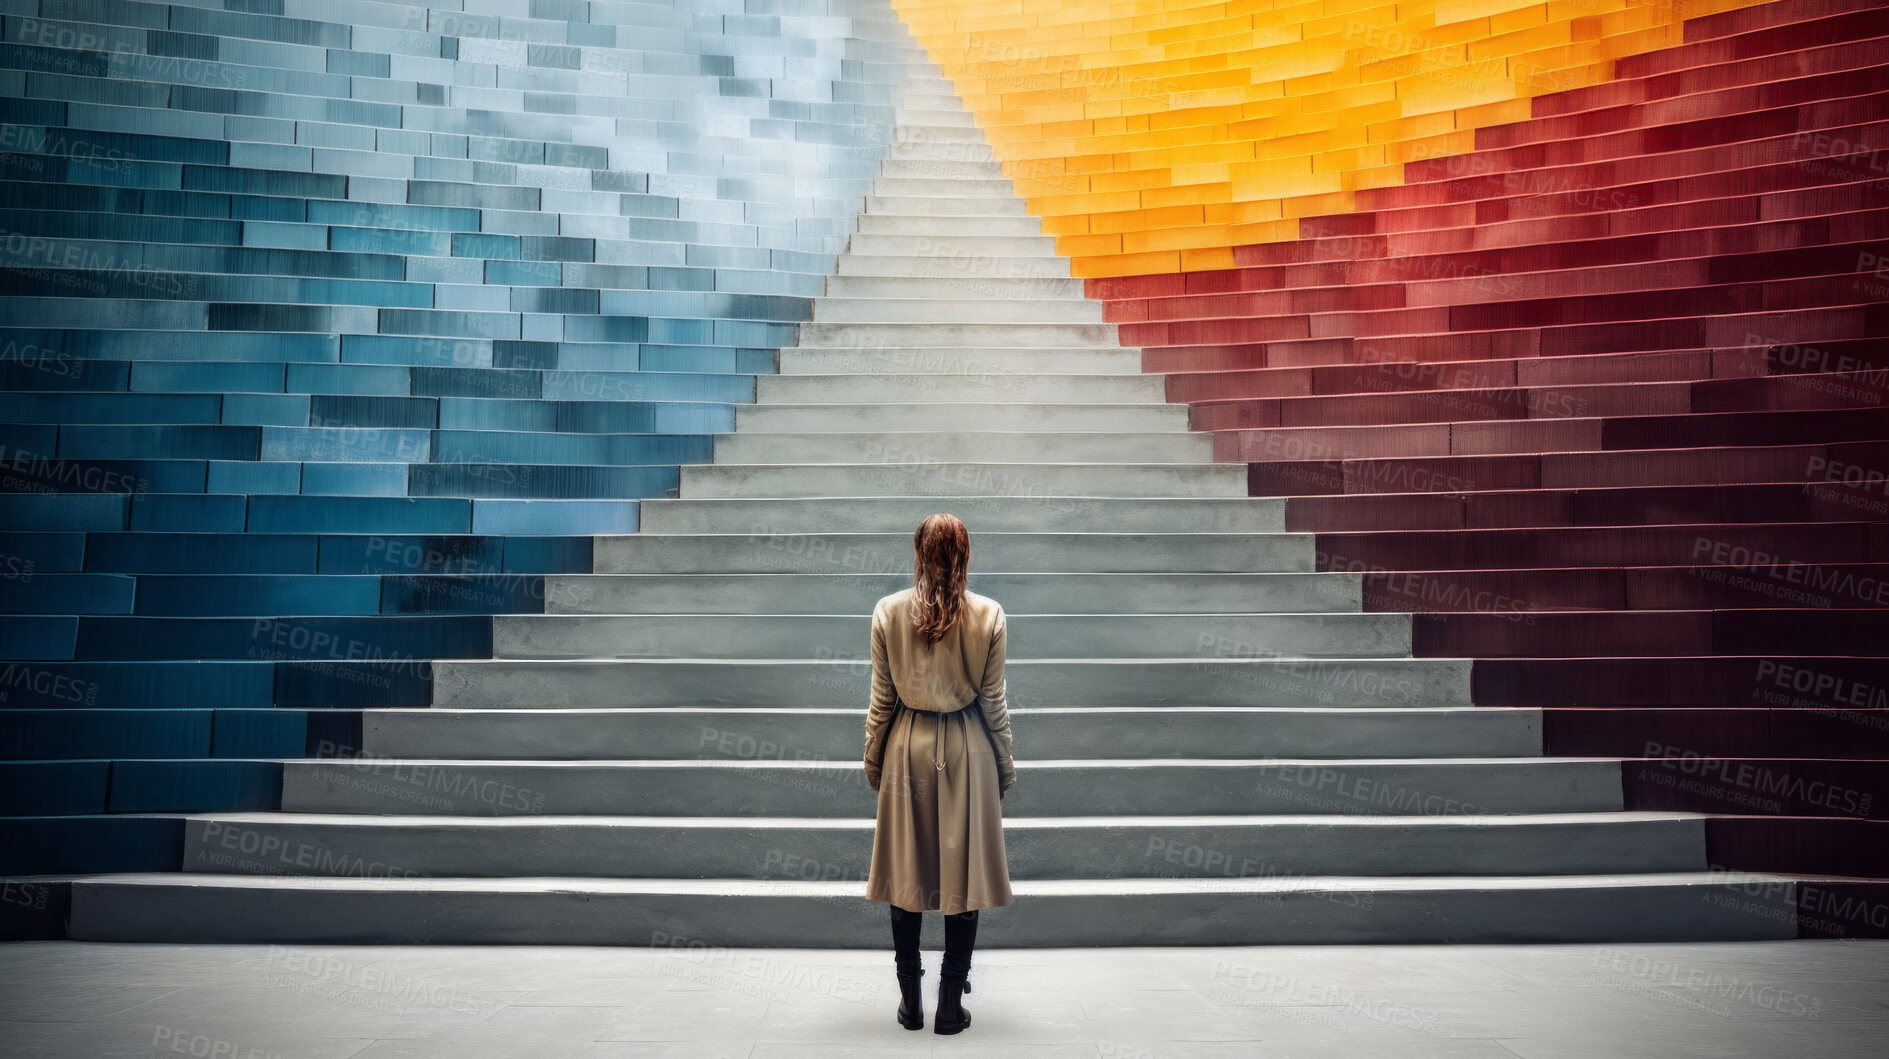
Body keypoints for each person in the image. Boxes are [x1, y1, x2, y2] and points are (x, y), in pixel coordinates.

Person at [862, 512, 1016, 1035]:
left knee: (907, 877)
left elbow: (882, 701)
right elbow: (993, 703)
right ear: (966, 553)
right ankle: (951, 1003)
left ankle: (910, 1003)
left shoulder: (887, 612)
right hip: (968, 748)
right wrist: (1005, 761)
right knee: (963, 876)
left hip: (907, 744)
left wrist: (873, 758)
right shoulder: (990, 615)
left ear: (917, 552)